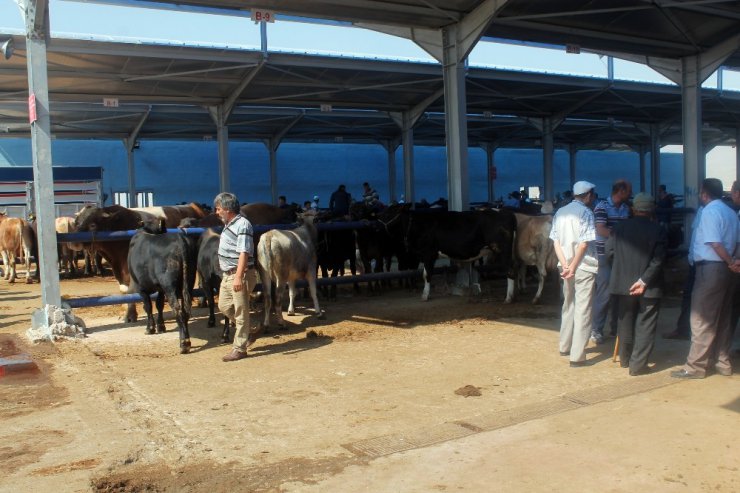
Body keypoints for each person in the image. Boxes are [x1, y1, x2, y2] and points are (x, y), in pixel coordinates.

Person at [672, 178, 740, 379]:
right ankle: (722, 361)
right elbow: (737, 242)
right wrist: (734, 262)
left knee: (701, 317)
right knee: (723, 317)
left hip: (711, 268)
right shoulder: (731, 212)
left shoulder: (710, 211)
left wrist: (728, 261)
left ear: (704, 193)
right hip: (727, 271)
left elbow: (714, 243)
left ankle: (695, 366)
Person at [606, 193, 666, 376]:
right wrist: (643, 280)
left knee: (625, 321)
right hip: (650, 286)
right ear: (651, 210)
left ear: (633, 209)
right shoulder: (659, 230)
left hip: (623, 284)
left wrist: (621, 274)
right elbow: (659, 259)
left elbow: (609, 253)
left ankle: (625, 359)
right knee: (646, 324)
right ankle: (638, 365)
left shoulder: (619, 228)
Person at [549, 181, 599, 367]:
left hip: (565, 266)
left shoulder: (561, 212)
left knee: (568, 304)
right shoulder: (586, 213)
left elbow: (555, 242)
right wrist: (574, 266)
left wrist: (565, 265)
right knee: (583, 309)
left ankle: (565, 345)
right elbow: (585, 244)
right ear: (587, 195)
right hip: (583, 266)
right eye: (592, 195)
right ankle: (577, 356)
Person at [214, 192, 258, 362]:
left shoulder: (243, 225)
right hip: (228, 274)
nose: (217, 212)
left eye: (218, 209)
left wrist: (239, 276)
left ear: (227, 209)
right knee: (224, 306)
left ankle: (240, 348)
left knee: (240, 310)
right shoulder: (230, 224)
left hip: (239, 273)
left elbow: (244, 252)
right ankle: (249, 329)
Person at [591, 179, 632, 344]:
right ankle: (596, 329)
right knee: (605, 292)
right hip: (604, 254)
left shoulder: (625, 208)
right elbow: (600, 228)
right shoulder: (602, 207)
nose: (630, 195)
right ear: (620, 191)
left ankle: (616, 327)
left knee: (619, 292)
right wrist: (621, 238)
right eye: (628, 191)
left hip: (619, 255)